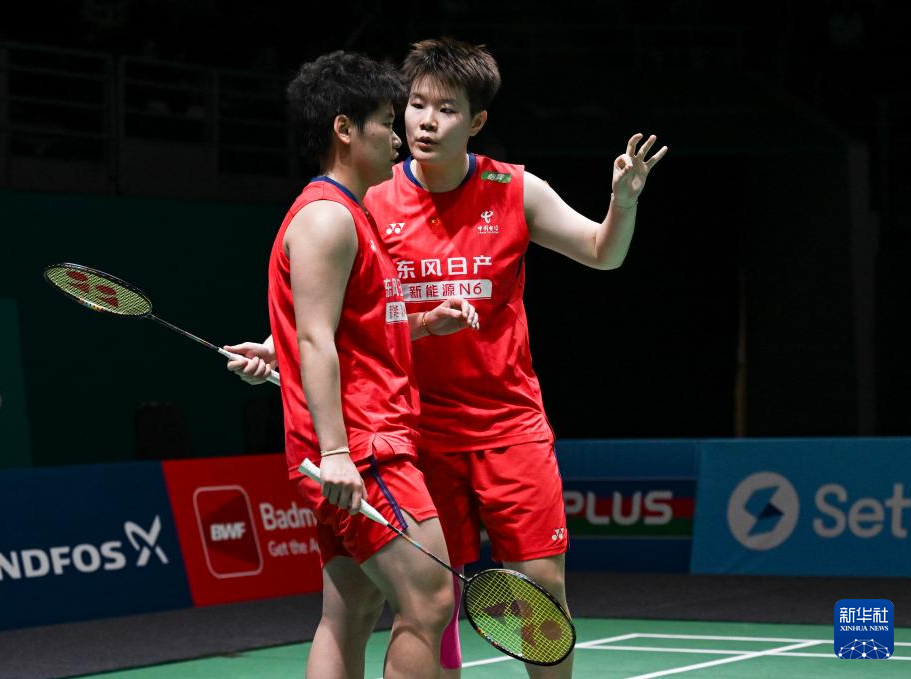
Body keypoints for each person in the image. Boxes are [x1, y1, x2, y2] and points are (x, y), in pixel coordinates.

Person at [358, 38, 668, 679]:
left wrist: (623, 203)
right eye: (416, 105)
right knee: (428, 600)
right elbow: (339, 306)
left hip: (508, 424)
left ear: (476, 121)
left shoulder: (515, 189)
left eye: (446, 109)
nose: (425, 122)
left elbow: (602, 252)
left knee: (540, 590)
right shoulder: (374, 197)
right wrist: (276, 347)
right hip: (414, 429)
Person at [260, 50, 480, 679]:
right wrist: (336, 454)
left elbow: (345, 329)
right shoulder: (328, 219)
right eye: (387, 121)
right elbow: (316, 340)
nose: (399, 136)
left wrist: (423, 323)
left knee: (350, 612)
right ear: (344, 129)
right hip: (363, 449)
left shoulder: (349, 214)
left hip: (358, 444)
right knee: (430, 601)